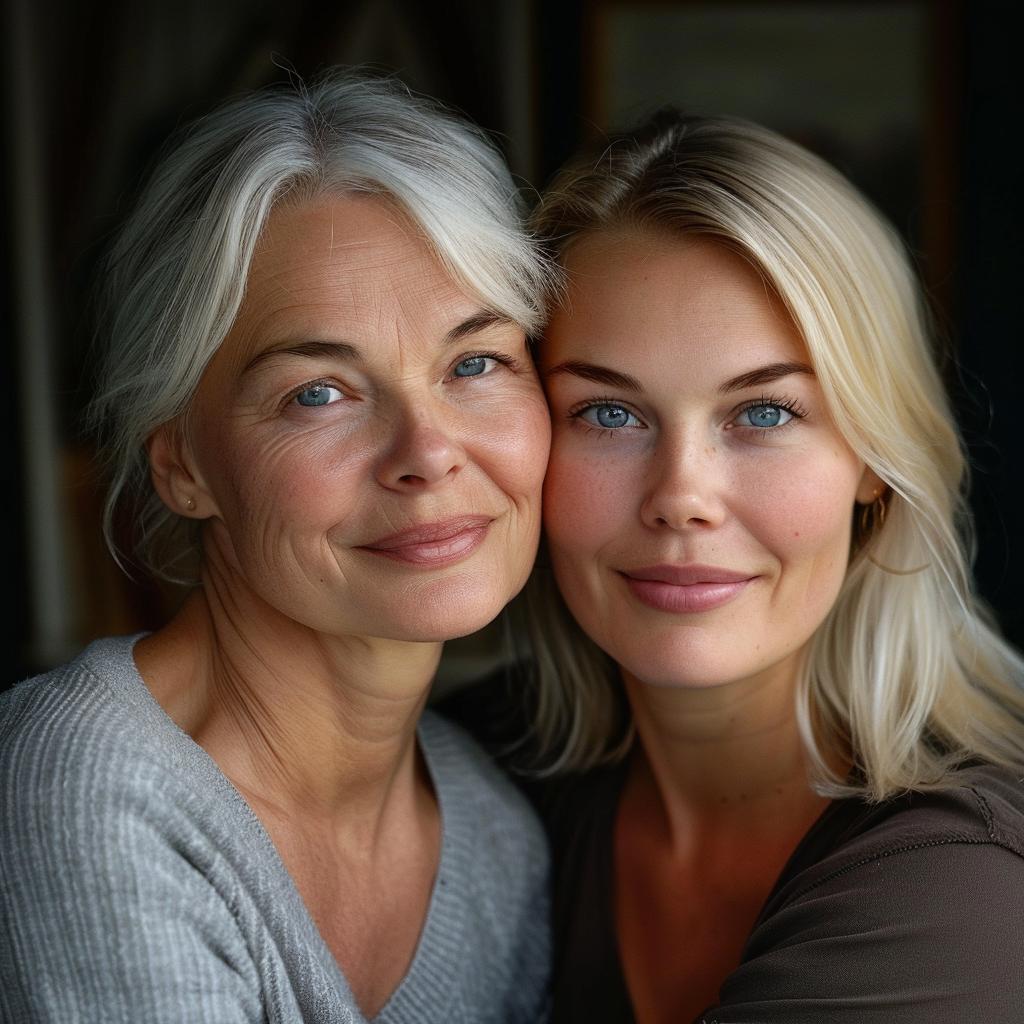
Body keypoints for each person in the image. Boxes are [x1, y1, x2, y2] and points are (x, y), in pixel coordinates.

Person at [0, 70, 554, 1024]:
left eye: (475, 362)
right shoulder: (85, 782)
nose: (427, 453)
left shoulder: (498, 835)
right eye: (319, 393)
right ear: (184, 468)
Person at [512, 110, 1024, 1022]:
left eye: (765, 413)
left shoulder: (967, 879)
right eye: (607, 414)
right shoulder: (480, 774)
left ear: (874, 457)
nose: (683, 496)